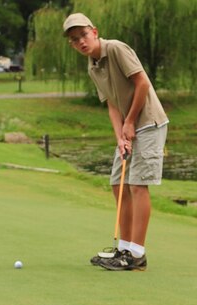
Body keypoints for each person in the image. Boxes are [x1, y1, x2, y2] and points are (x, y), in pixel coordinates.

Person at [63, 13, 169, 271]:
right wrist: (120, 135)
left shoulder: (116, 48)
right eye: (75, 40)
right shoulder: (93, 65)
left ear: (95, 31)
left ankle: (137, 254)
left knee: (137, 184)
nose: (81, 42)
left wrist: (130, 122)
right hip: (129, 127)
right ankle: (124, 248)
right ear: (72, 45)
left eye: (84, 35)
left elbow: (142, 82)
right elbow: (111, 102)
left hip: (149, 122)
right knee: (117, 183)